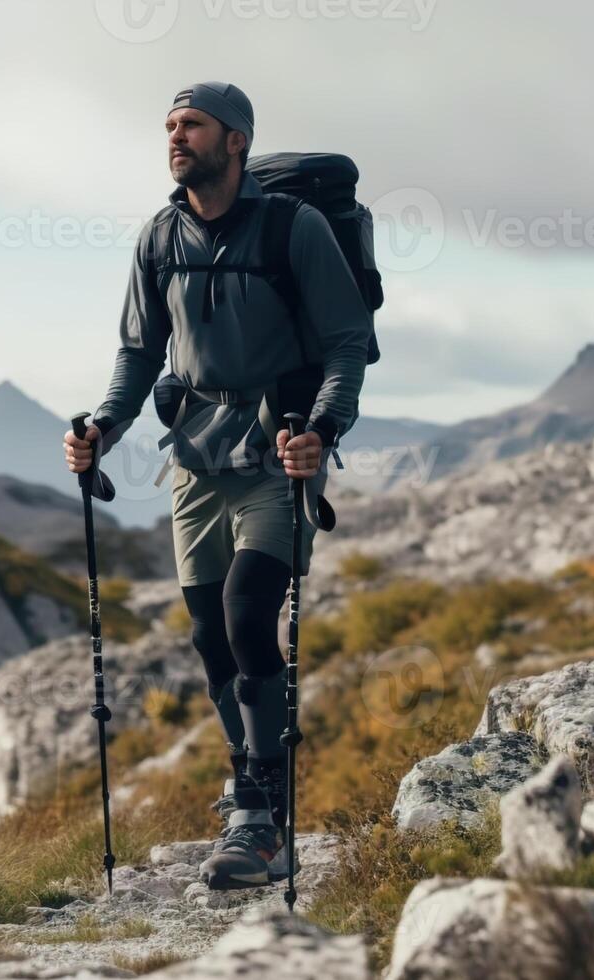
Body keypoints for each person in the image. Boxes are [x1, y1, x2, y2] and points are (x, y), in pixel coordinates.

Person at [64, 81, 373, 890]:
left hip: (276, 453)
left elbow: (347, 343)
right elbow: (138, 353)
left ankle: (262, 814)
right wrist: (104, 427)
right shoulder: (159, 237)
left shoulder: (292, 228)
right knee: (208, 638)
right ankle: (248, 780)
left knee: (245, 616)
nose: (175, 137)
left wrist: (323, 429)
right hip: (195, 460)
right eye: (168, 125)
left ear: (234, 140)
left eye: (191, 125)